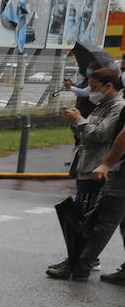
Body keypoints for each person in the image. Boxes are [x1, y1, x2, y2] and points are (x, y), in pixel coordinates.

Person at [50, 68, 125, 283]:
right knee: (88, 216)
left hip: (101, 168)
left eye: (94, 87)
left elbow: (101, 135)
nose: (90, 92)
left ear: (108, 86)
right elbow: (86, 136)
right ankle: (78, 259)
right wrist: (77, 122)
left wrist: (79, 120)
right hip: (89, 165)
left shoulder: (118, 107)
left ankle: (81, 263)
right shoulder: (102, 105)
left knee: (96, 219)